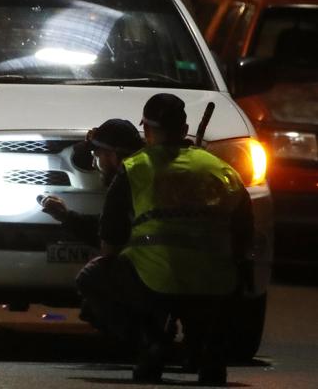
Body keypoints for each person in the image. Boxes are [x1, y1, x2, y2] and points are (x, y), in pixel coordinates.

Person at [64, 93, 253, 385]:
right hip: (216, 285)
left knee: (92, 278)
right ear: (184, 126)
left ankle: (151, 343)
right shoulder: (220, 168)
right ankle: (210, 353)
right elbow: (244, 235)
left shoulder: (136, 168)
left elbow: (110, 245)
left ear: (148, 131)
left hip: (156, 283)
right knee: (234, 277)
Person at [39, 119, 143, 329]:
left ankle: (147, 338)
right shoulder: (153, 170)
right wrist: (67, 216)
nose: (95, 164)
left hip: (158, 271)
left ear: (112, 155)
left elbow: (109, 241)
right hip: (206, 270)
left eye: (97, 155)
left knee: (93, 277)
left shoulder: (126, 179)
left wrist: (66, 217)